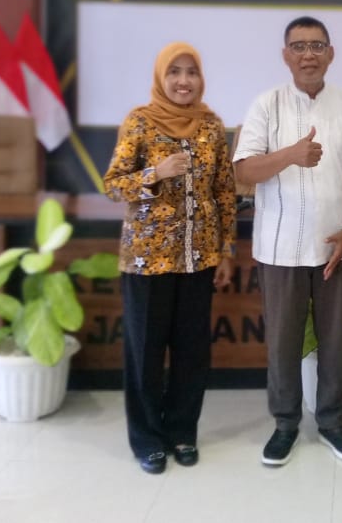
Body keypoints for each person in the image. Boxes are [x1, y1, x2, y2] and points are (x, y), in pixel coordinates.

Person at [233, 16, 342, 467]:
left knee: (333, 339)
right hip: (280, 249)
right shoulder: (266, 105)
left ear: (331, 54)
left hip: (339, 247)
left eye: (316, 46)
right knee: (283, 342)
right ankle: (285, 424)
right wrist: (291, 154)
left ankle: (332, 422)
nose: (308, 54)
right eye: (298, 46)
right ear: (285, 55)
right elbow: (242, 171)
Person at [103, 42, 236, 475]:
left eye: (191, 72)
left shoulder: (212, 125)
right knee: (145, 352)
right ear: (161, 77)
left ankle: (182, 432)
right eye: (174, 72)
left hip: (199, 259)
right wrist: (155, 174)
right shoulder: (140, 121)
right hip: (147, 261)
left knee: (191, 353)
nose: (183, 81)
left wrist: (226, 250)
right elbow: (113, 185)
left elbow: (224, 192)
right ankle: (147, 439)